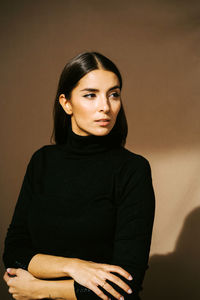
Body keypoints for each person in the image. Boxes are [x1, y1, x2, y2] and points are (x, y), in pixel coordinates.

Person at [2, 51, 155, 300]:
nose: (105, 106)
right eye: (90, 95)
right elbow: (15, 251)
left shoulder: (133, 170)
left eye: (113, 94)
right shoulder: (42, 161)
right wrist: (73, 265)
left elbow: (126, 284)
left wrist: (40, 289)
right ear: (66, 103)